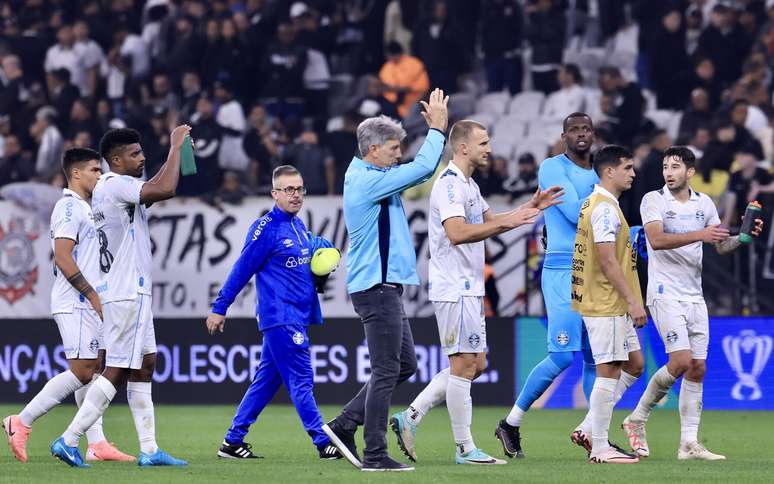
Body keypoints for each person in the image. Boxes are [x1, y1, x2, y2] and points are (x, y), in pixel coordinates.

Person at [389, 120, 562, 465]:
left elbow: (492, 220)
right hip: (454, 287)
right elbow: (456, 232)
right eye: (483, 142)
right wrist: (508, 222)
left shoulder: (469, 185)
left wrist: (531, 208)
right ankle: (465, 448)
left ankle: (410, 417)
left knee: (476, 364)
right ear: (463, 147)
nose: (489, 148)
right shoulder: (450, 185)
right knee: (464, 364)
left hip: (469, 286)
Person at [322, 88, 449, 472]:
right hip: (376, 288)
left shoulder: (372, 175)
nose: (399, 154)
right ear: (373, 150)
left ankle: (344, 425)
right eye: (394, 148)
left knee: (404, 365)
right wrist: (438, 130)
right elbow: (423, 168)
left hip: (382, 287)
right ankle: (374, 454)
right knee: (385, 371)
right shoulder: (366, 181)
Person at [50, 127, 192, 468]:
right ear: (115, 160)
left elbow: (156, 187)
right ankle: (68, 440)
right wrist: (174, 146)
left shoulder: (114, 189)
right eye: (134, 153)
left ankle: (149, 450)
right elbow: (166, 188)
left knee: (145, 365)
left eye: (142, 152)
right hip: (127, 290)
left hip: (129, 289)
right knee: (116, 369)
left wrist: (177, 155)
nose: (142, 157)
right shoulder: (114, 184)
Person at [622, 146, 764, 460]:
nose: (668, 172)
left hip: (694, 295)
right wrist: (701, 234)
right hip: (664, 292)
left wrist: (742, 238)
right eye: (665, 167)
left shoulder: (704, 204)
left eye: (675, 167)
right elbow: (656, 240)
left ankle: (688, 444)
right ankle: (637, 418)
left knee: (697, 368)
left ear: (690, 172)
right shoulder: (653, 200)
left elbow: (720, 245)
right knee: (681, 361)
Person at [2, 148, 133, 464]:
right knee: (83, 369)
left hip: (88, 301)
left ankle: (97, 443)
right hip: (74, 301)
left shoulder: (88, 208)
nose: (99, 176)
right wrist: (92, 295)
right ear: (76, 173)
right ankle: (21, 421)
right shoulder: (68, 207)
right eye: (94, 170)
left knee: (95, 369)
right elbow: (62, 257)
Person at [205, 165, 343, 461]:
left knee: (266, 382)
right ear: (274, 194)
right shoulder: (265, 228)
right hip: (280, 317)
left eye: (300, 189)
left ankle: (232, 441)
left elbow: (315, 251)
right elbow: (242, 269)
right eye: (289, 189)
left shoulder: (297, 226)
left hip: (296, 315)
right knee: (302, 378)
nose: (296, 195)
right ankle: (323, 442)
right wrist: (220, 307)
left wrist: (326, 254)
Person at [494, 113, 599, 457]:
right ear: (564, 136)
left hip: (593, 270)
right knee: (562, 355)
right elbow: (571, 212)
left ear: (593, 134)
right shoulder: (552, 168)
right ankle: (510, 423)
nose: (580, 134)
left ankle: (596, 435)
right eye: (574, 130)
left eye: (586, 129)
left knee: (594, 358)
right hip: (562, 268)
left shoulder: (598, 171)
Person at [571, 144, 645, 464]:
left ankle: (589, 427)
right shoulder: (603, 207)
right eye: (627, 168)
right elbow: (606, 258)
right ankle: (600, 447)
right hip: (606, 301)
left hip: (607, 300)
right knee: (609, 370)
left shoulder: (600, 203)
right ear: (610, 171)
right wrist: (632, 300)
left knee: (635, 364)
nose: (633, 173)